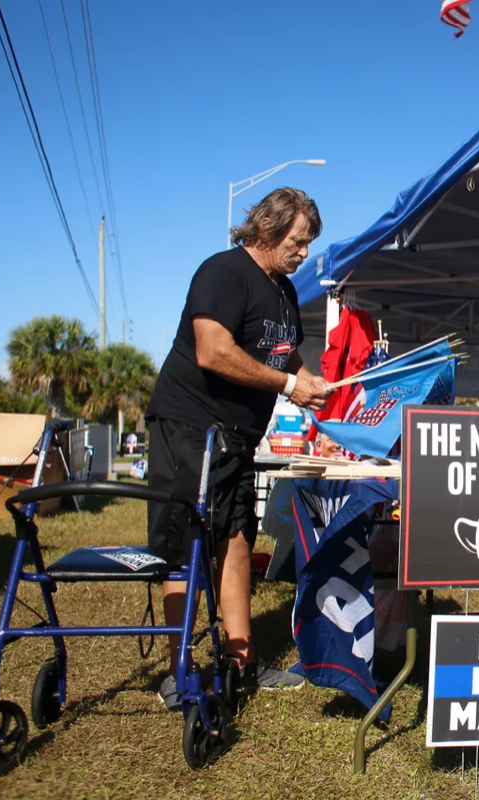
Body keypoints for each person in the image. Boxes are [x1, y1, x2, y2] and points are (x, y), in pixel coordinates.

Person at [145, 187, 332, 709]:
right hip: (187, 427)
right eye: (297, 240)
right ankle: (179, 669)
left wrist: (308, 382)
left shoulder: (285, 292)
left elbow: (284, 352)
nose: (304, 251)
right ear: (268, 229)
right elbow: (213, 350)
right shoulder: (224, 272)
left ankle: (241, 662)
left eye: (309, 242)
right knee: (186, 551)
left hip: (235, 440)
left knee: (235, 542)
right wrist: (286, 385)